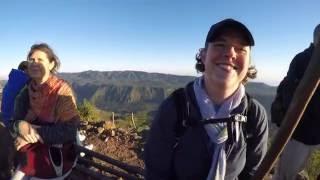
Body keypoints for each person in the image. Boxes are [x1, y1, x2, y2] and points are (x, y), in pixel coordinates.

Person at [144, 18, 268, 180]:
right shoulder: (176, 108)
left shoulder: (254, 115)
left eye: (240, 49)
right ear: (203, 55)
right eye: (220, 45)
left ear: (248, 63)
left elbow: (252, 173)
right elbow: (156, 173)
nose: (230, 53)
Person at [10, 43, 80, 179]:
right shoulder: (27, 90)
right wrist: (20, 126)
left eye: (40, 60)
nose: (34, 63)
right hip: (31, 147)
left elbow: (70, 130)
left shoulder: (62, 92)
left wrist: (32, 134)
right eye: (31, 59)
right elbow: (14, 121)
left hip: (59, 150)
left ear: (51, 64)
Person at [271, 24, 320, 180]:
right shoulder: (304, 60)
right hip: (299, 132)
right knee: (285, 175)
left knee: (288, 173)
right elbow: (294, 98)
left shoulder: (303, 58)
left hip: (308, 131)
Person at [1, 61, 29, 126]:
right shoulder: (26, 81)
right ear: (26, 70)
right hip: (14, 122)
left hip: (5, 118)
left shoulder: (9, 82)